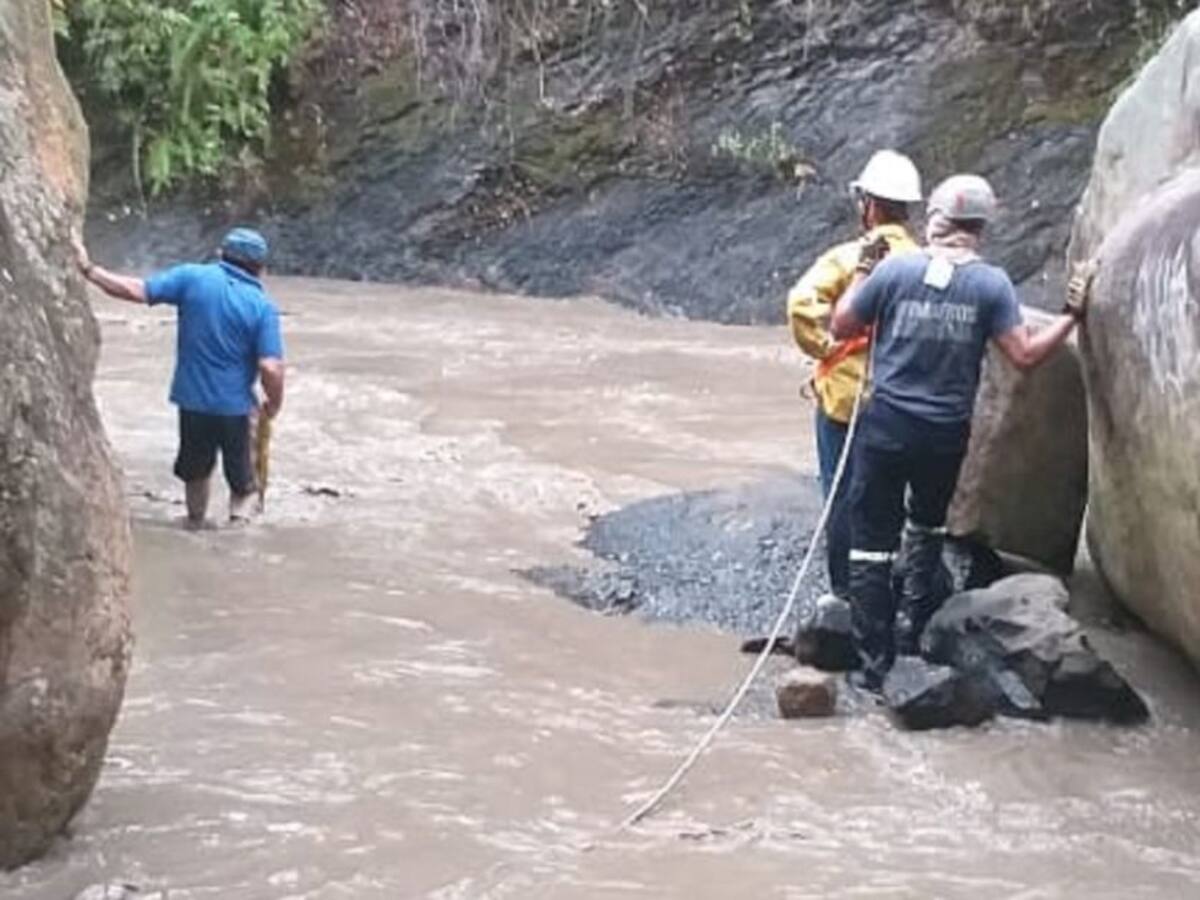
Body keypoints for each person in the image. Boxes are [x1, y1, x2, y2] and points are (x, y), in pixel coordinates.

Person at [830, 174, 1090, 689]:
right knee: (926, 526)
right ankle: (912, 634)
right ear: (981, 227)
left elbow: (841, 325)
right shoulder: (991, 285)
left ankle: (872, 663)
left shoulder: (895, 270)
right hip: (945, 434)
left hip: (886, 428)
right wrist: (1071, 315)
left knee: (869, 542)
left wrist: (863, 271)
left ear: (936, 219)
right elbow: (1025, 356)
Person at [74, 228, 286, 528]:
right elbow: (270, 368)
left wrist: (89, 270)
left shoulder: (192, 278)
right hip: (235, 409)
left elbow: (136, 291)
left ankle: (195, 525)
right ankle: (236, 543)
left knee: (195, 472)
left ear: (221, 255)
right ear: (260, 268)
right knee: (243, 485)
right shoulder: (262, 307)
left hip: (192, 402)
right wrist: (274, 404)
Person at [786, 149, 922, 599]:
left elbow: (802, 305)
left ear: (868, 205)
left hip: (848, 398)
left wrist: (825, 348)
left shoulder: (850, 259)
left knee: (842, 494)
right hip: (904, 399)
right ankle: (889, 581)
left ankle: (845, 593)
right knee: (890, 494)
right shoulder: (926, 263)